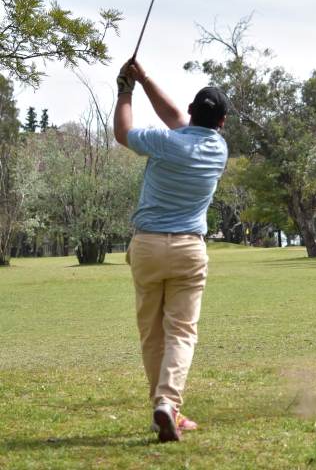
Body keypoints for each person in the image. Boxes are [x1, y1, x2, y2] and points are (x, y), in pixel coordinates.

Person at [113, 60, 228, 442]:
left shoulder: (167, 142)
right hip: (188, 251)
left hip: (147, 246)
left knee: (151, 333)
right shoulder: (218, 149)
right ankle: (168, 404)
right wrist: (143, 79)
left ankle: (161, 407)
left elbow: (124, 133)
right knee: (181, 332)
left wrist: (126, 90)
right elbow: (177, 117)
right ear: (222, 123)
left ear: (193, 112)